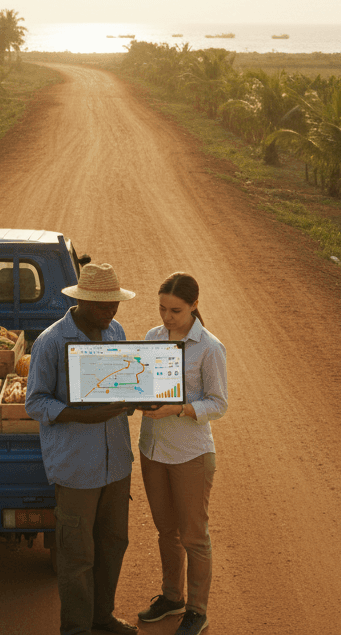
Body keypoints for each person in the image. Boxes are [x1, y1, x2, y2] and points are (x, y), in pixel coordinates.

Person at [26, 262, 140, 635]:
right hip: (76, 470)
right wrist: (80, 416)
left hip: (116, 464)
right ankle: (76, 629)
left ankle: (102, 618)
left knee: (112, 545)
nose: (110, 313)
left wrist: (140, 396)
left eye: (114, 305)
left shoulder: (116, 331)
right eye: (103, 306)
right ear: (83, 301)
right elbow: (36, 402)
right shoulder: (51, 342)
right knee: (77, 557)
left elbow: (122, 384)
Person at [135, 272, 228, 635]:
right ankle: (172, 597)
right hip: (152, 449)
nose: (166, 317)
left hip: (190, 454)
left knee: (193, 536)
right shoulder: (151, 338)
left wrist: (178, 408)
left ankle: (197, 611)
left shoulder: (209, 347)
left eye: (175, 310)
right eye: (162, 308)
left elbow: (218, 404)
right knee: (165, 532)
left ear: (194, 306)